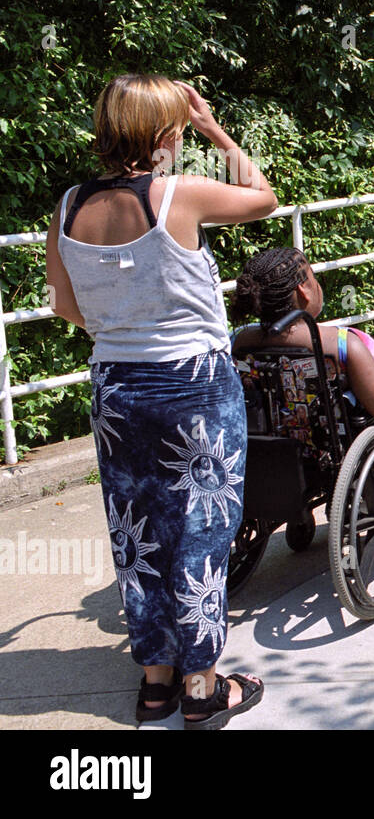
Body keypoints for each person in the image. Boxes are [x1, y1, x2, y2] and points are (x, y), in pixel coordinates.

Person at [44, 73, 278, 728]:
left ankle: (155, 683)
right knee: (201, 532)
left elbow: (66, 307)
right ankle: (203, 689)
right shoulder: (180, 193)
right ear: (163, 133)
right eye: (178, 125)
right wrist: (217, 129)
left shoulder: (66, 208)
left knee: (138, 532)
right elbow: (264, 198)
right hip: (192, 385)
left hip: (116, 386)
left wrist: (127, 326)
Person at [229, 249, 374, 526]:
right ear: (304, 290)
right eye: (313, 277)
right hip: (330, 451)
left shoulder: (239, 340)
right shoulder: (345, 343)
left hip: (270, 444)